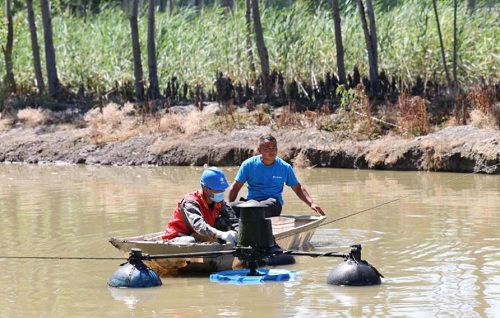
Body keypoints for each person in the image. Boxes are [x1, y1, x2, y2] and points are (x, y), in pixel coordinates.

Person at [228, 134, 325, 218]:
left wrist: (311, 203)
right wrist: (227, 206)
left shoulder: (284, 167)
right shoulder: (248, 165)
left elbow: (298, 188)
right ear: (259, 150)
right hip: (251, 203)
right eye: (267, 149)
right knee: (230, 208)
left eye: (274, 148)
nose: (272, 151)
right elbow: (235, 187)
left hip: (272, 204)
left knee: (262, 207)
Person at [162, 167, 239, 244]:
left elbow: (232, 219)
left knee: (223, 222)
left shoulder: (218, 201)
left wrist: (239, 233)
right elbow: (199, 225)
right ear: (206, 190)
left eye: (223, 189)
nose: (222, 192)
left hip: (199, 234)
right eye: (219, 190)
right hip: (179, 236)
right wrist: (220, 234)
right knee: (190, 241)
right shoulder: (191, 202)